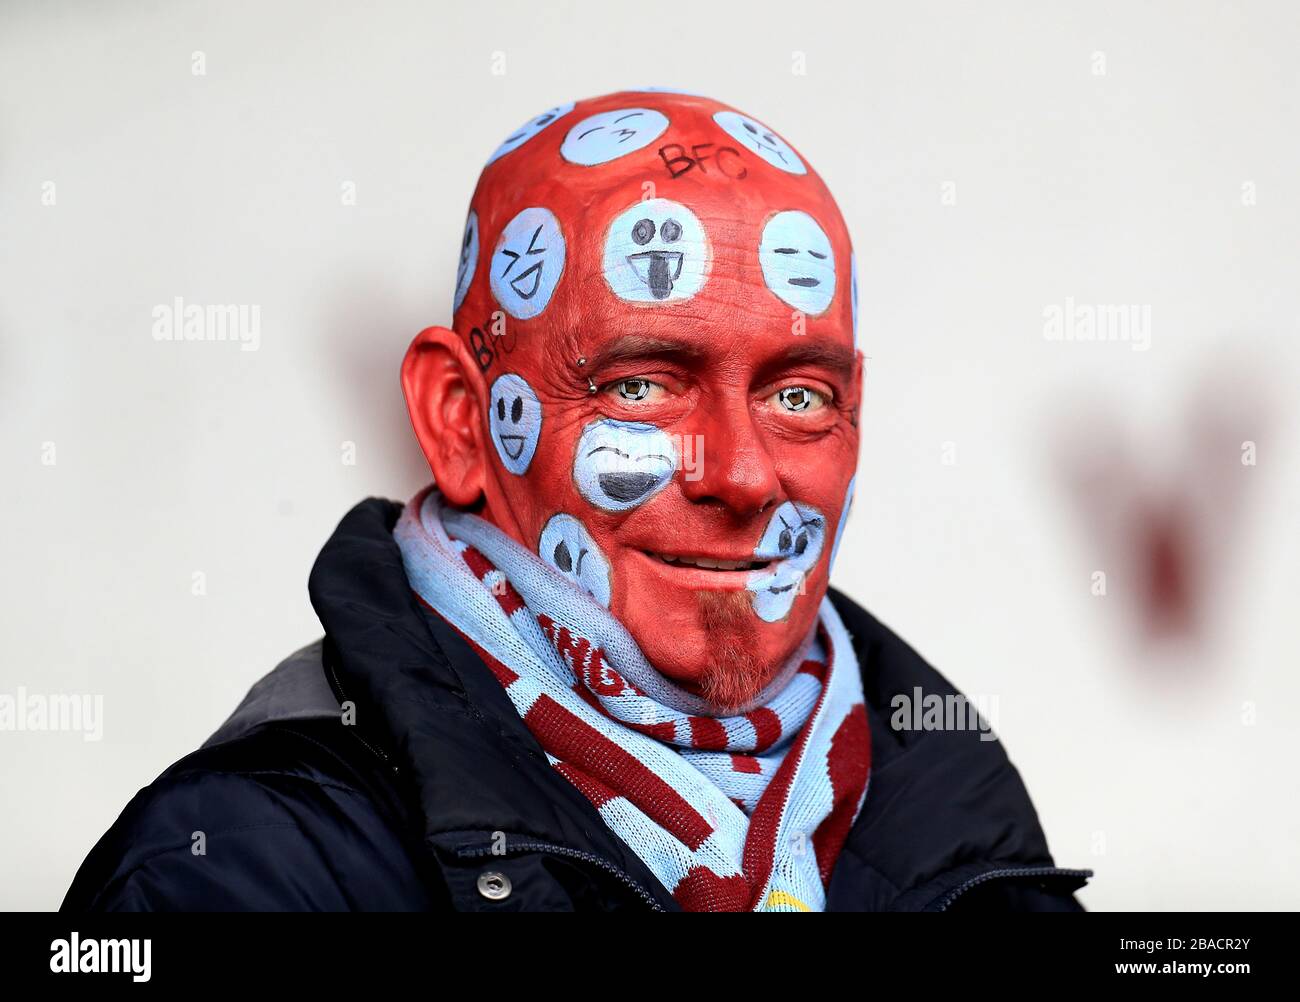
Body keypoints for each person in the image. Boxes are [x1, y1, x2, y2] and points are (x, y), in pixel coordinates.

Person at [62, 89, 1091, 912]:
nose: (738, 472)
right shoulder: (244, 870)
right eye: (641, 385)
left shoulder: (963, 846)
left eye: (796, 395)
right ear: (460, 418)